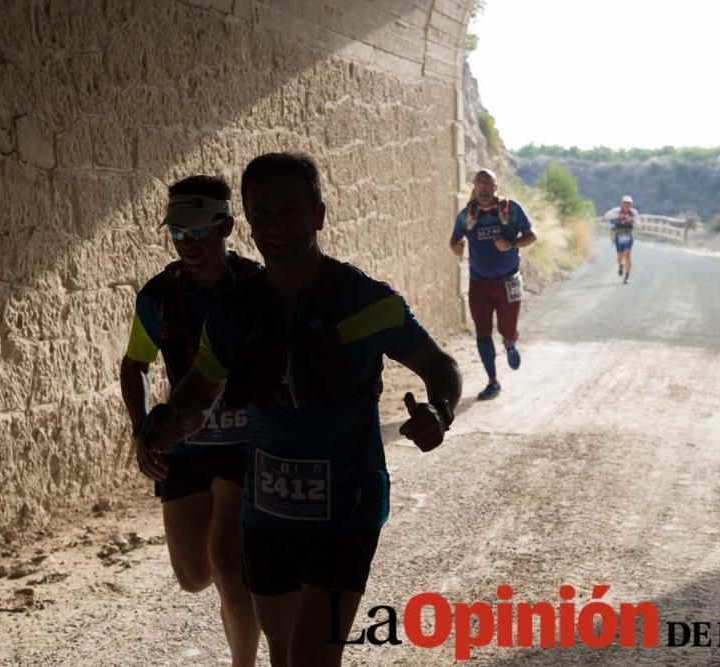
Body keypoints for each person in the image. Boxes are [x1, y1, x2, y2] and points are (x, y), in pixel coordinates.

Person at [138, 152, 462, 667]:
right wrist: (165, 425)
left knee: (311, 658)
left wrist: (439, 411)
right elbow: (198, 396)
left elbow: (440, 366)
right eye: (261, 214)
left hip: (348, 509)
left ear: (319, 215)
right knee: (284, 654)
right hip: (266, 515)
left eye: (289, 211)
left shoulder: (365, 301)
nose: (275, 227)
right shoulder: (232, 314)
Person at [120, 175, 260, 667]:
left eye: (198, 233)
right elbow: (134, 364)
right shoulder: (158, 297)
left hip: (246, 446)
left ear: (225, 227)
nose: (187, 244)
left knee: (228, 565)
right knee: (193, 575)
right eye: (177, 233)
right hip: (186, 447)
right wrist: (143, 432)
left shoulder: (256, 289)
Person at [449, 168, 537, 401]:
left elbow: (531, 235)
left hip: (508, 280)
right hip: (479, 283)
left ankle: (509, 342)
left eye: (488, 184)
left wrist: (512, 244)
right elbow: (454, 240)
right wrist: (456, 247)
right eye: (479, 183)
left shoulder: (511, 209)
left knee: (507, 328)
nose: (484, 187)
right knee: (482, 332)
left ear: (495, 188)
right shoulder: (467, 215)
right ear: (475, 188)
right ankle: (492, 381)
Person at [602, 195, 640, 284]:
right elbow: (606, 216)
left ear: (631, 205)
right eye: (625, 203)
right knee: (620, 257)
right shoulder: (617, 211)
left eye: (629, 204)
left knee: (627, 254)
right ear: (622, 204)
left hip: (628, 235)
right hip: (619, 236)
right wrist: (619, 217)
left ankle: (627, 276)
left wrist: (632, 220)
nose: (627, 205)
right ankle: (620, 265)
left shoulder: (633, 212)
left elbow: (639, 225)